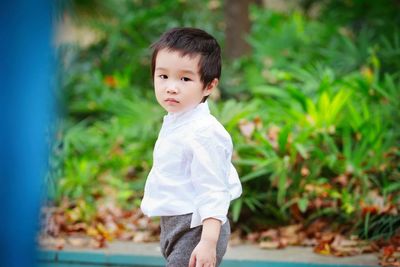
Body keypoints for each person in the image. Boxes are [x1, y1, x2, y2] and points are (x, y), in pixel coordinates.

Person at [140, 27, 242, 267]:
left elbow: (214, 189)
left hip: (197, 229)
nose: (171, 87)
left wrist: (208, 242)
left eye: (185, 79)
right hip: (175, 225)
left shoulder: (203, 132)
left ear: (209, 86)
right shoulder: (179, 121)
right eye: (163, 76)